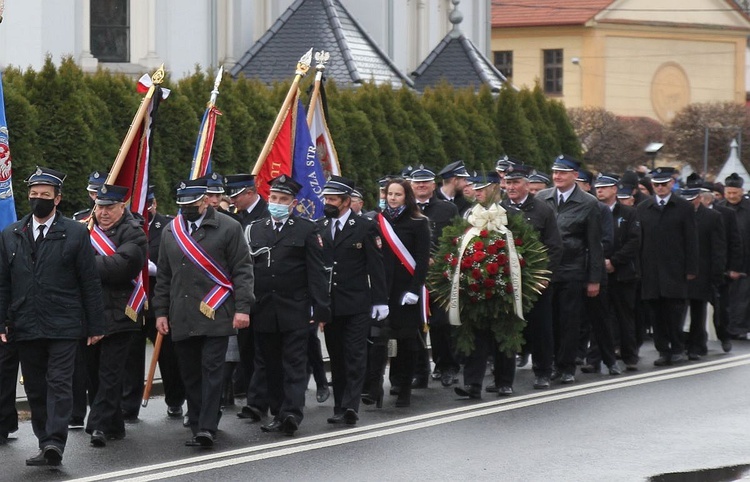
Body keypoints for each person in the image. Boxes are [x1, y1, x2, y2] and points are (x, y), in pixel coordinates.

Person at [0, 166, 104, 466]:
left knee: (59, 382)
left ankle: (55, 442)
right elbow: (3, 282)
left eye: (45, 195)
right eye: (34, 195)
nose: (38, 200)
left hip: (64, 324)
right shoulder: (11, 234)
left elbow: (89, 281)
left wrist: (95, 324)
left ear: (57, 199)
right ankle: (45, 440)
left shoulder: (74, 232)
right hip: (25, 323)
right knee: (35, 386)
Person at [154, 178, 254, 448]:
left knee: (212, 372)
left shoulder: (229, 227)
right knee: (190, 374)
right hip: (182, 314)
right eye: (181, 204)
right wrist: (160, 312)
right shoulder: (170, 231)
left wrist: (243, 308)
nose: (186, 209)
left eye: (192, 204)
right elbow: (164, 275)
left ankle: (207, 427)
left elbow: (242, 271)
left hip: (216, 312)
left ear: (205, 201)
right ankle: (198, 420)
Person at [247, 175, 330, 434]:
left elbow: (316, 272)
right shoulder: (254, 229)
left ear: (293, 204)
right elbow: (247, 271)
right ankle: (277, 410)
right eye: (273, 198)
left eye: (283, 200)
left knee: (294, 363)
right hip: (264, 308)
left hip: (295, 308)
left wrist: (320, 308)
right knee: (271, 365)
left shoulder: (306, 229)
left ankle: (292, 413)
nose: (277, 203)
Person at [318, 176, 387, 423]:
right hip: (330, 305)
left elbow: (376, 266)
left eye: (333, 199)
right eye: (326, 198)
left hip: (357, 303)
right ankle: (339, 406)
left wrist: (381, 300)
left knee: (355, 354)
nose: (328, 203)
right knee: (336, 356)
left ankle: (351, 405)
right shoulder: (320, 226)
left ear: (347, 201)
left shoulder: (364, 227)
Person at [85, 184, 148, 447]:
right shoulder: (85, 231)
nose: (103, 212)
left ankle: (97, 424)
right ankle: (115, 426)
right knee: (93, 374)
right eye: (99, 207)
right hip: (91, 314)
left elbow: (120, 268)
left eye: (109, 207)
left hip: (122, 313)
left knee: (110, 373)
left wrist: (82, 263)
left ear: (122, 207)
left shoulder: (134, 233)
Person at [121, 187, 186, 422]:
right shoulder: (123, 228)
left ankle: (175, 400)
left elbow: (177, 262)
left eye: (147, 204)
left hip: (158, 301)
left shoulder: (167, 227)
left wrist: (155, 268)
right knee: (131, 355)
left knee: (168, 355)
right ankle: (129, 406)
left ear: (154, 203)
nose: (143, 210)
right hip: (131, 302)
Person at [537, 155, 603, 384]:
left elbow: (595, 244)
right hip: (545, 271)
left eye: (563, 172)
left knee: (569, 322)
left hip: (572, 270)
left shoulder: (588, 203)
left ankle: (566, 365)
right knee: (548, 321)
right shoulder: (542, 198)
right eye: (555, 172)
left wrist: (594, 278)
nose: (557, 176)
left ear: (575, 175)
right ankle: (551, 362)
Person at [500, 164, 562, 390]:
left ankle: (543, 371)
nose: (511, 187)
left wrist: (545, 276)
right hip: (506, 280)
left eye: (516, 182)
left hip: (536, 280)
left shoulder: (542, 210)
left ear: (527, 185)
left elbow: (554, 247)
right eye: (508, 182)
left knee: (540, 328)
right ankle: (504, 380)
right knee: (507, 327)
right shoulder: (499, 209)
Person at [374, 178, 430, 407]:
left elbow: (422, 260)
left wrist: (415, 289)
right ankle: (379, 387)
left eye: (398, 194)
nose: (393, 198)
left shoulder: (418, 222)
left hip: (406, 291)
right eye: (390, 194)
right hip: (383, 290)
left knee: (406, 342)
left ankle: (405, 387)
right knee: (380, 341)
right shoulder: (378, 221)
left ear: (406, 196)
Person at [637, 167, 698, 366]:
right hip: (651, 270)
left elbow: (691, 240)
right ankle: (663, 350)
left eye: (664, 184)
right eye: (656, 185)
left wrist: (691, 268)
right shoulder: (643, 208)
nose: (660, 188)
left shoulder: (683, 207)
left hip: (675, 269)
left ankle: (678, 348)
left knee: (675, 312)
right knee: (656, 314)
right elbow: (639, 241)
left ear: (671, 184)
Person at [410, 166, 460, 388]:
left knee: (441, 324)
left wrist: (440, 260)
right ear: (411, 186)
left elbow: (457, 240)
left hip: (440, 275)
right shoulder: (404, 210)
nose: (421, 186)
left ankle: (446, 366)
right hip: (413, 276)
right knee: (416, 324)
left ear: (433, 185)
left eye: (426, 182)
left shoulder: (447, 209)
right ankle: (420, 371)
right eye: (417, 183)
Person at [224, 174, 268, 420]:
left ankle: (262, 398)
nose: (232, 200)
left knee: (262, 350)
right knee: (247, 349)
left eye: (236, 195)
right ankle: (254, 399)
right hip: (241, 293)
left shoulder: (265, 214)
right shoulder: (236, 217)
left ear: (250, 192)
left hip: (262, 291)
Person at [595, 173, 641, 371]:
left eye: (604, 187)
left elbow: (634, 241)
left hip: (623, 273)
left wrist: (614, 261)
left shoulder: (629, 213)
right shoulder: (592, 211)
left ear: (615, 189)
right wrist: (599, 261)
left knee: (624, 316)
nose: (599, 190)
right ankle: (594, 358)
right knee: (598, 316)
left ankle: (629, 355)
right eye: (597, 187)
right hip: (599, 271)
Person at [682, 186, 726, 360]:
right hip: (680, 270)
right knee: (678, 310)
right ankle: (681, 342)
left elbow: (718, 247)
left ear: (699, 199)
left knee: (698, 310)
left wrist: (717, 272)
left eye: (691, 199)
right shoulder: (679, 214)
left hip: (703, 271)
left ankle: (697, 344)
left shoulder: (713, 217)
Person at [720, 173, 750, 339]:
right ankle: (728, 328)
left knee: (742, 300)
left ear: (741, 191)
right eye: (729, 193)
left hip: (746, 262)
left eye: (735, 193)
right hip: (723, 262)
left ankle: (739, 329)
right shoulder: (719, 208)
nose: (732, 196)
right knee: (726, 300)